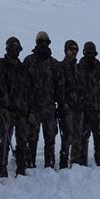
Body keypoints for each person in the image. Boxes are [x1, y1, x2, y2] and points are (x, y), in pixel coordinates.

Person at [23, 31, 61, 169]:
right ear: (36, 42)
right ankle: (30, 163)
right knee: (32, 138)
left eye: (45, 42)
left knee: (50, 138)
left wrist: (60, 105)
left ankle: (49, 164)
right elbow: (22, 85)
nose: (43, 44)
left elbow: (59, 86)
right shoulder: (28, 61)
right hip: (32, 107)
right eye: (40, 42)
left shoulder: (54, 64)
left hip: (49, 107)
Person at [0, 36, 29, 176]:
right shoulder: (1, 65)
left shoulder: (22, 68)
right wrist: (1, 104)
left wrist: (26, 106)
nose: (15, 51)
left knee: (22, 139)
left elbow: (27, 89)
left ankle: (21, 166)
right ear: (8, 49)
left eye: (17, 49)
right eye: (12, 48)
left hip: (21, 109)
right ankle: (2, 167)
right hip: (6, 109)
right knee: (5, 140)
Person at [77, 41, 100, 167]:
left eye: (92, 53)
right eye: (88, 52)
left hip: (97, 109)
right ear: (84, 53)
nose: (90, 55)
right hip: (83, 109)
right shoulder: (79, 67)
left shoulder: (99, 68)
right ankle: (82, 162)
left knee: (99, 137)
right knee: (83, 137)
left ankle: (99, 161)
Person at [59, 39, 83, 168]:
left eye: (76, 49)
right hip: (67, 107)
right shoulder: (61, 66)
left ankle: (75, 163)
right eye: (71, 49)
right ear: (66, 50)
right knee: (67, 135)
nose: (74, 51)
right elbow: (59, 87)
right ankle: (63, 163)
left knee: (77, 135)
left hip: (78, 107)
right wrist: (63, 103)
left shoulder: (77, 67)